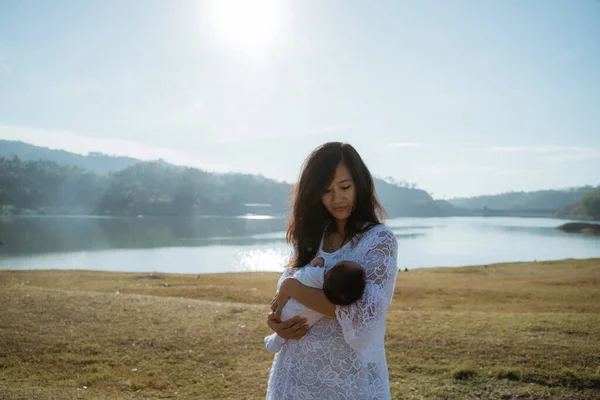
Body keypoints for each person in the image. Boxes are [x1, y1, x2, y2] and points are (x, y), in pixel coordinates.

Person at [266, 142, 398, 399]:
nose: (337, 198)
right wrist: (276, 322)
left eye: (345, 187)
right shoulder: (313, 236)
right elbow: (283, 293)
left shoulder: (378, 240)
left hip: (347, 382)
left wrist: (294, 288)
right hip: (294, 375)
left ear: (360, 183)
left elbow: (364, 319)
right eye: (327, 191)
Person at [264, 257, 366, 353]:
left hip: (291, 311)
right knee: (300, 320)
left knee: (291, 320)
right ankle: (277, 339)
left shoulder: (319, 275)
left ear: (328, 272)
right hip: (302, 319)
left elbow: (302, 274)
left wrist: (316, 265)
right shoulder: (336, 294)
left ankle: (276, 340)